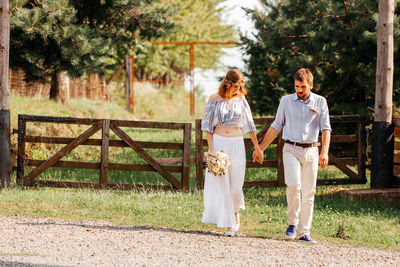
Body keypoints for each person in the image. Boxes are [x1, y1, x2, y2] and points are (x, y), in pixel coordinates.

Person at [253, 68, 331, 243]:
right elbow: (276, 126)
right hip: (291, 148)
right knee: (294, 186)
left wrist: (324, 152)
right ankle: (292, 224)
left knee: (309, 191)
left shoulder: (320, 102)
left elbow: (326, 128)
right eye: (296, 86)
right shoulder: (286, 101)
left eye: (303, 87)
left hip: (311, 150)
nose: (299, 90)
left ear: (311, 85)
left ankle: (305, 232)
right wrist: (261, 148)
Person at [201, 69, 263, 237]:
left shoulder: (241, 99)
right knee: (224, 185)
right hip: (220, 142)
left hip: (237, 143)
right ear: (227, 83)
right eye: (236, 86)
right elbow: (207, 126)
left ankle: (236, 211)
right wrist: (212, 150)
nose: (238, 90)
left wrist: (257, 148)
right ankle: (229, 223)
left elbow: (250, 125)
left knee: (236, 186)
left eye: (240, 86)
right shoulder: (214, 99)